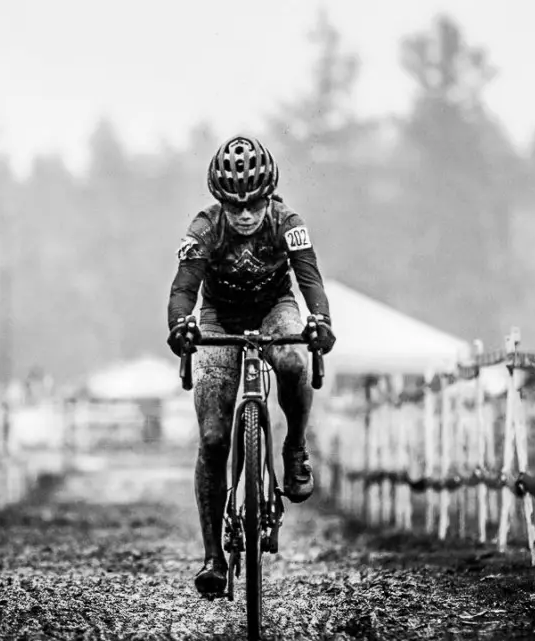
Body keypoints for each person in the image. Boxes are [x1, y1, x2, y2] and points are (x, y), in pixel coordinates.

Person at [165, 135, 336, 598]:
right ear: (220, 202)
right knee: (214, 436)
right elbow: (183, 289)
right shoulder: (203, 228)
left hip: (273, 308)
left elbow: (309, 279)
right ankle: (213, 558)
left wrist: (320, 321)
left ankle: (295, 447)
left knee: (293, 361)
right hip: (218, 317)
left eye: (254, 205)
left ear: (269, 197)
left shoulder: (288, 223)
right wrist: (181, 326)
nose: (244, 215)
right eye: (234, 206)